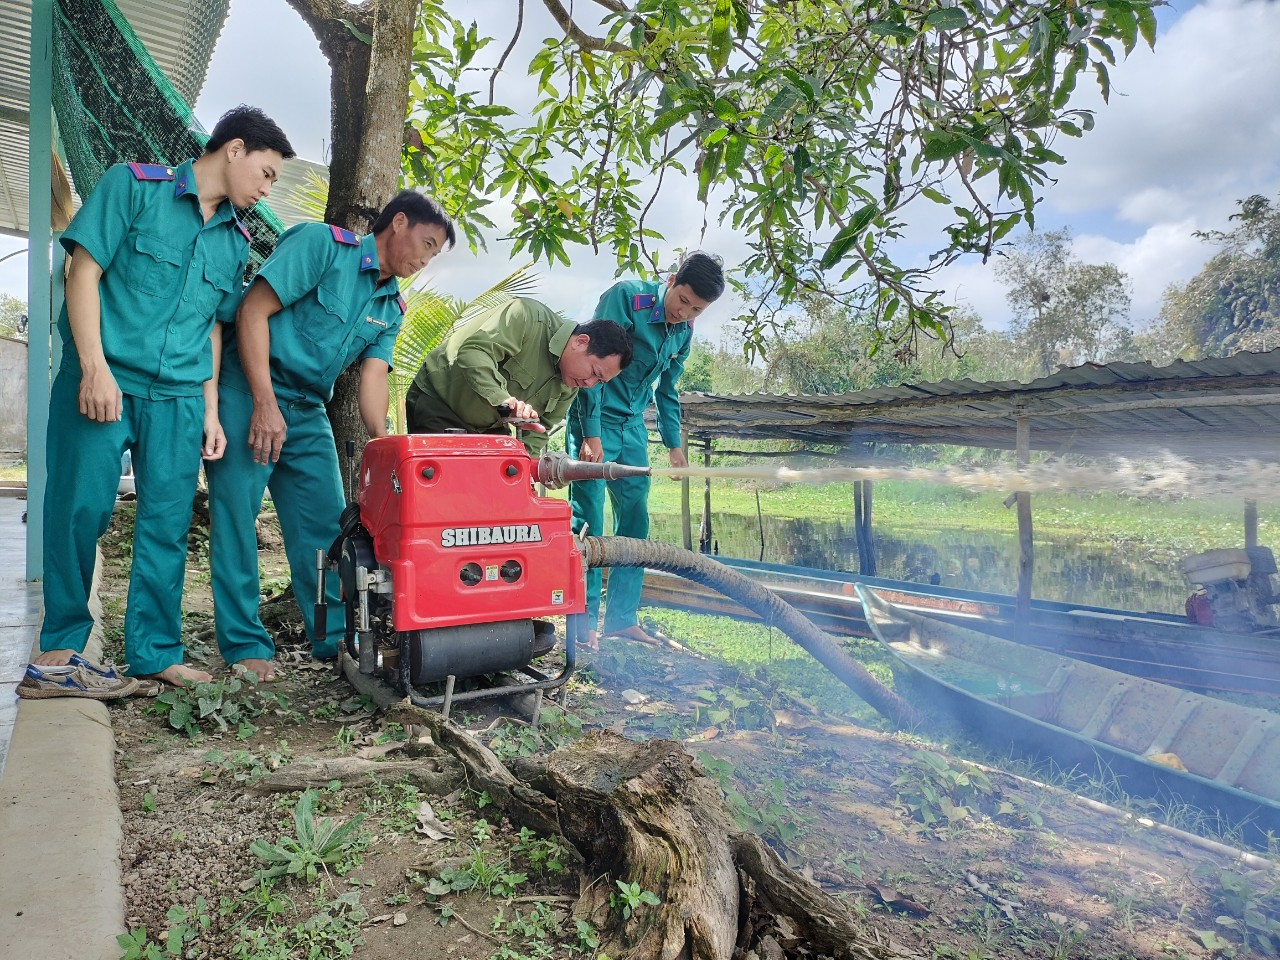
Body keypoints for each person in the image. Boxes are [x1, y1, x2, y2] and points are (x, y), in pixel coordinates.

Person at [21, 106, 295, 699]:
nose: (267, 188)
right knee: (78, 509)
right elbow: (84, 270)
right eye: (268, 173)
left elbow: (213, 329)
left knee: (167, 525)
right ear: (235, 150)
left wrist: (213, 412)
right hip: (106, 378)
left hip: (179, 398)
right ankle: (63, 645)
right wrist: (93, 366)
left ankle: (154, 652)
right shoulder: (133, 186)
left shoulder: (235, 241)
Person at [205, 190, 456, 681]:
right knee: (236, 518)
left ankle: (334, 638)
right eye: (425, 244)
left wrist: (385, 444)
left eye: (433, 254)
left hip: (307, 410)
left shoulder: (392, 305)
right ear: (398, 222)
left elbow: (375, 376)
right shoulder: (323, 246)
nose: (424, 260)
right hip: (248, 390)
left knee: (326, 530)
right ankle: (243, 643)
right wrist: (263, 403)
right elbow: (253, 311)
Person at [566, 252, 726, 649]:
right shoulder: (627, 297)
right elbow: (594, 365)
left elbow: (667, 391)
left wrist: (674, 446)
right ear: (672, 280)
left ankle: (621, 620)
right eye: (683, 300)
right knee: (587, 522)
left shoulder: (683, 333)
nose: (684, 312)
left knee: (635, 523)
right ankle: (580, 623)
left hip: (634, 429)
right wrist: (592, 433)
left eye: (697, 310)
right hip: (595, 418)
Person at [404, 299, 633, 455]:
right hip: (439, 402)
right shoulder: (526, 316)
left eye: (599, 382)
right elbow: (474, 352)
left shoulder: (571, 382)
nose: (589, 384)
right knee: (448, 494)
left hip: (489, 428)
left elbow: (539, 431)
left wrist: (528, 471)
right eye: (594, 373)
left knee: (502, 494)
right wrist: (504, 401)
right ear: (580, 341)